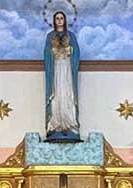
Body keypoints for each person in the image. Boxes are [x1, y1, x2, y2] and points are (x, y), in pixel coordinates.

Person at [44, 10, 80, 141]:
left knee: (67, 93)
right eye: (57, 18)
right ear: (54, 21)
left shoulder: (71, 36)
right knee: (57, 94)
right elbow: (47, 54)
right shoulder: (50, 36)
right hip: (55, 70)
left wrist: (68, 49)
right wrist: (53, 50)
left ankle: (69, 123)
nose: (59, 20)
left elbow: (76, 53)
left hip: (67, 70)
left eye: (61, 18)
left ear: (65, 20)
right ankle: (56, 124)